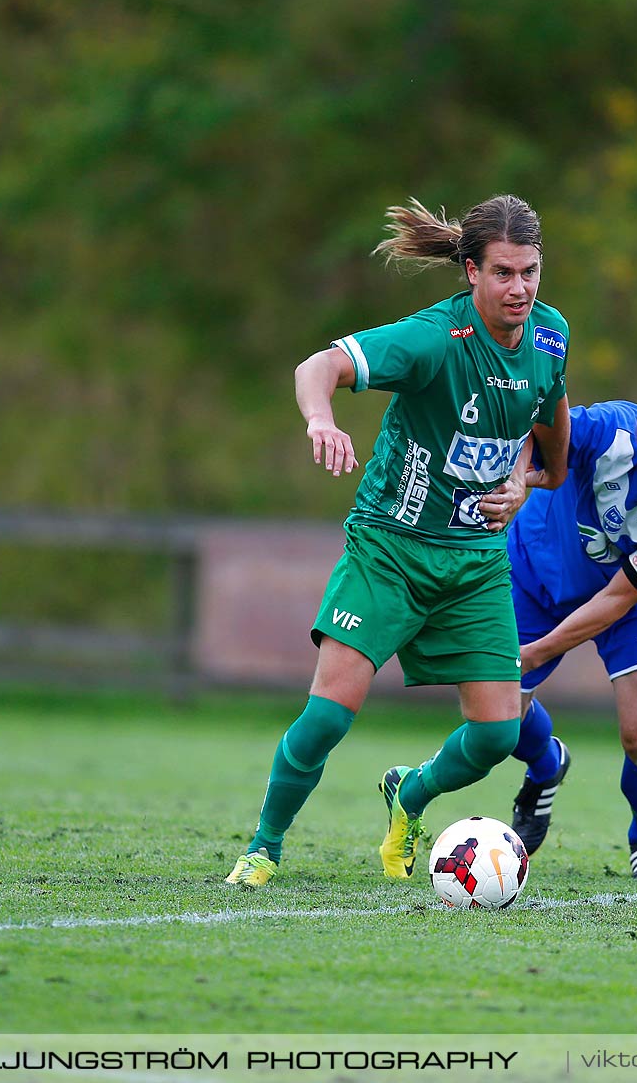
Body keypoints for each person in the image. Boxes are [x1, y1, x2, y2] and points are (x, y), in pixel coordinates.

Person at [225, 195, 572, 888]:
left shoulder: (550, 336)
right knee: (327, 716)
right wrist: (321, 420)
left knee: (497, 737)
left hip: (474, 562)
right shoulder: (430, 341)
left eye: (530, 271)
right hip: (391, 547)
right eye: (503, 273)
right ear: (470, 272)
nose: (521, 288)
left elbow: (552, 426)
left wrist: (527, 480)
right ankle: (264, 847)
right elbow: (316, 367)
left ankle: (410, 794)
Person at [502, 399, 637, 879]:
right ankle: (546, 765)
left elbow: (618, 600)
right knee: (498, 726)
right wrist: (519, 480)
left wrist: (535, 653)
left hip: (629, 603)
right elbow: (535, 430)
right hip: (534, 574)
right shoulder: (612, 431)